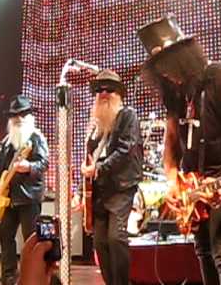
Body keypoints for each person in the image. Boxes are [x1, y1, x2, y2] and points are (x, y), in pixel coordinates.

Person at [137, 14, 221, 285]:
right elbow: (171, 145)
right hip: (193, 184)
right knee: (203, 251)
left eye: (167, 66)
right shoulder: (175, 93)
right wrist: (172, 182)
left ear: (182, 57)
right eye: (159, 69)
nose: (165, 74)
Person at [81, 69, 143, 285]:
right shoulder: (96, 126)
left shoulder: (127, 115)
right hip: (100, 190)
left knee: (116, 238)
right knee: (99, 243)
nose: (103, 93)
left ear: (118, 93)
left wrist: (99, 168)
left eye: (109, 89)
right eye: (99, 90)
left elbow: (126, 149)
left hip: (121, 186)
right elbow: (91, 157)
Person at [0, 95, 49, 285]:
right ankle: (8, 277)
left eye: (22, 114)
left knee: (31, 241)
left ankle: (33, 278)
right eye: (15, 115)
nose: (19, 118)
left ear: (29, 116)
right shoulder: (7, 141)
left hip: (29, 198)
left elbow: (43, 163)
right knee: (5, 234)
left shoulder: (36, 138)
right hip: (9, 198)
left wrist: (28, 167)